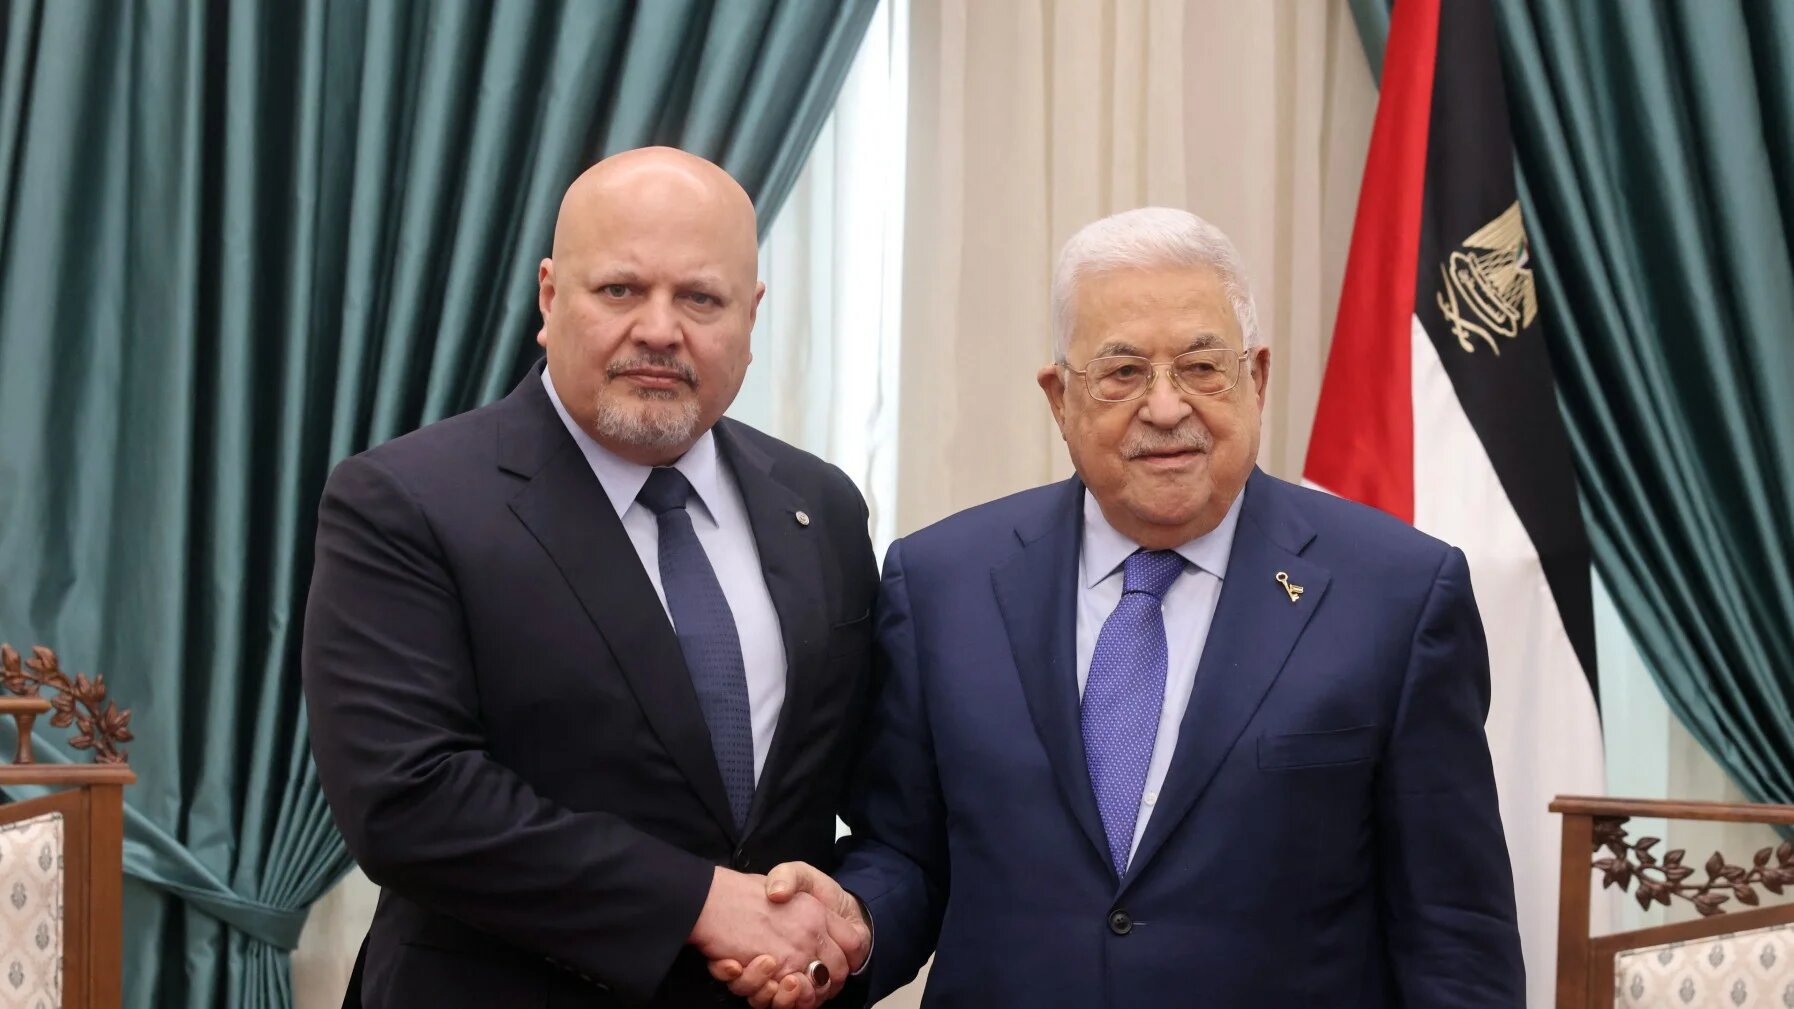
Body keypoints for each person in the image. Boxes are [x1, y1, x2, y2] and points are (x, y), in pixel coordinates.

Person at [725, 207, 1525, 1007]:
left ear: (1259, 379)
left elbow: (1454, 929)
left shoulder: (1398, 593)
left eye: (1203, 367)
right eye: (1122, 372)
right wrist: (854, 920)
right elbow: (908, 851)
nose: (1167, 407)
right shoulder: (939, 583)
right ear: (1059, 398)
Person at [302, 146, 874, 1009]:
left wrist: (843, 920)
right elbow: (408, 799)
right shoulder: (406, 500)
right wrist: (701, 902)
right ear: (548, 296)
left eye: (700, 297)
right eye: (620, 290)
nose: (658, 328)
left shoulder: (821, 508)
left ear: (751, 315)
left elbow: (861, 782)